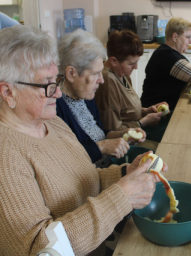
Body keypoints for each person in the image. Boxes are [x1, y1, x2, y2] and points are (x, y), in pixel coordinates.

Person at [0, 25, 167, 256]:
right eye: (47, 84)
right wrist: (121, 197)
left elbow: (83, 177)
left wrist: (126, 172)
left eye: (55, 80)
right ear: (8, 92)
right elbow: (39, 249)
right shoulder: (5, 156)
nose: (58, 93)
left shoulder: (52, 123)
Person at [57, 29, 147, 166]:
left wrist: (123, 134)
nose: (101, 80)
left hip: (107, 164)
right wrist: (101, 147)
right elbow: (63, 161)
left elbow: (99, 133)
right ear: (71, 73)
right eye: (96, 73)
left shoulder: (85, 94)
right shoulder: (55, 108)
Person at [94, 30, 169, 140]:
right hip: (124, 143)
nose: (136, 67)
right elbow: (112, 130)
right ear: (114, 61)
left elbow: (125, 111)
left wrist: (146, 111)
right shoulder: (108, 81)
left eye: (137, 61)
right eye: (131, 63)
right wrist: (143, 122)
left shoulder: (122, 74)